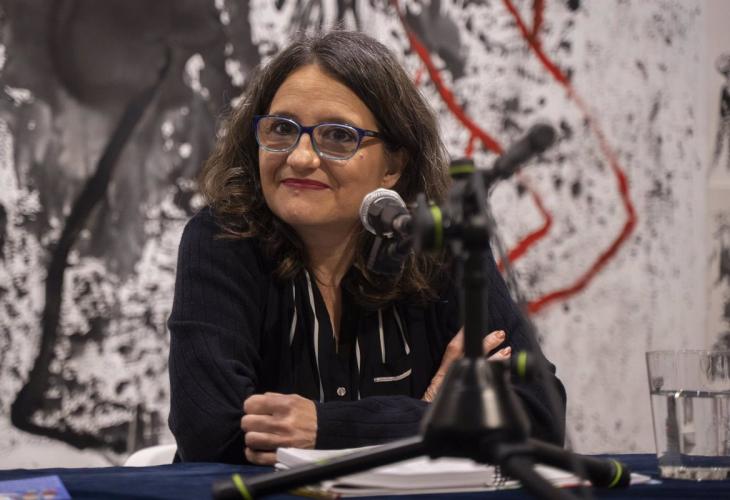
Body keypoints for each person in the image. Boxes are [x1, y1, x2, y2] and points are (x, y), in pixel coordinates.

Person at [168, 30, 566, 465]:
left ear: (393, 165)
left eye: (338, 136)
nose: (300, 157)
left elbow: (540, 417)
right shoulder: (222, 240)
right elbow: (211, 432)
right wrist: (433, 415)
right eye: (281, 129)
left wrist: (327, 428)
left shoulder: (440, 246)